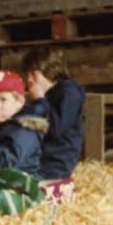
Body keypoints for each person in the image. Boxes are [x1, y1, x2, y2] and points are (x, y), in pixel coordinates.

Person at [22, 47, 85, 202]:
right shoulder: (49, 95)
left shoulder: (68, 91)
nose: (28, 79)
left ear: (48, 70)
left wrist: (39, 101)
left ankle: (56, 190)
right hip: (41, 158)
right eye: (27, 74)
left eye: (33, 73)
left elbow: (55, 129)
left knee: (26, 187)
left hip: (56, 161)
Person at [0, 70, 48, 177]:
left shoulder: (25, 129)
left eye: (3, 100)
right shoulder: (0, 124)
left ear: (19, 102)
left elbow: (6, 167)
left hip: (21, 188)